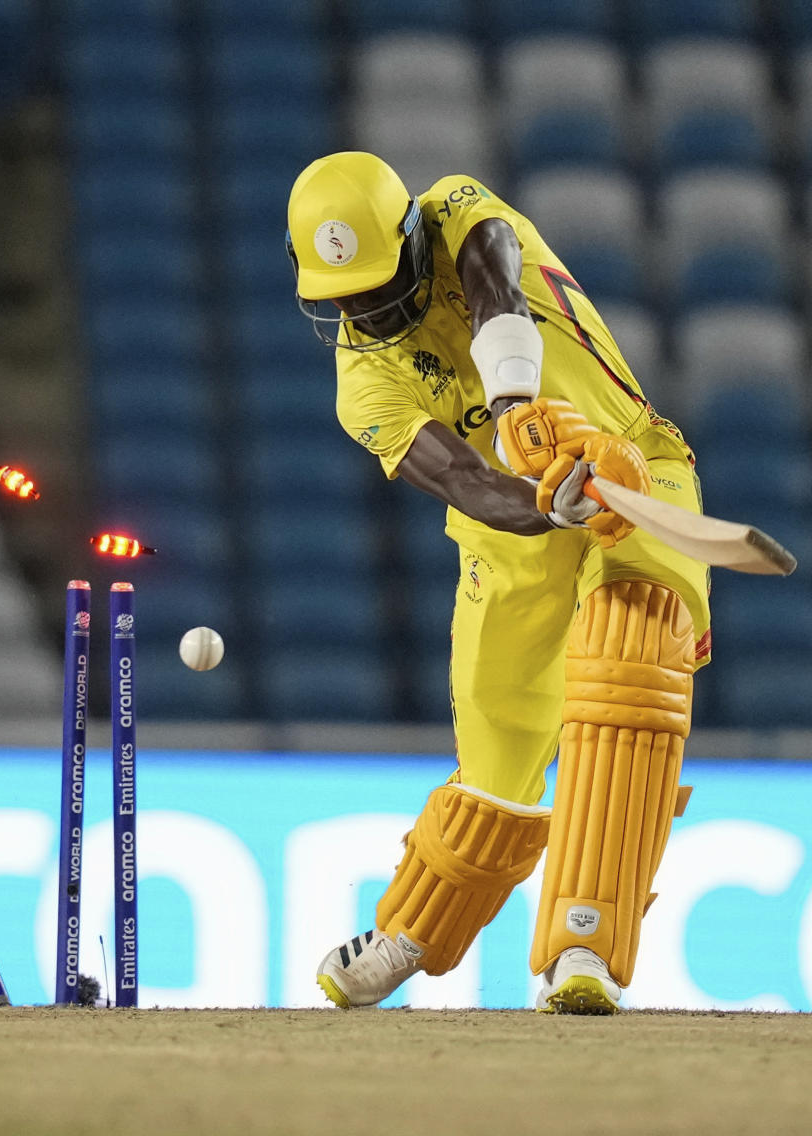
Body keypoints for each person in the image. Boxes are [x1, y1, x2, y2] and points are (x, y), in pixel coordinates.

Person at [285, 152, 711, 1014]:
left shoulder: (456, 213)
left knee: (630, 661)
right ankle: (416, 925)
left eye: (380, 286)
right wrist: (551, 506)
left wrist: (518, 406)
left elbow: (495, 290)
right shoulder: (363, 386)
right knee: (497, 752)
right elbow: (467, 485)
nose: (368, 312)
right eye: (346, 300)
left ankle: (582, 947)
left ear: (411, 238)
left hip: (638, 464)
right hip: (515, 531)